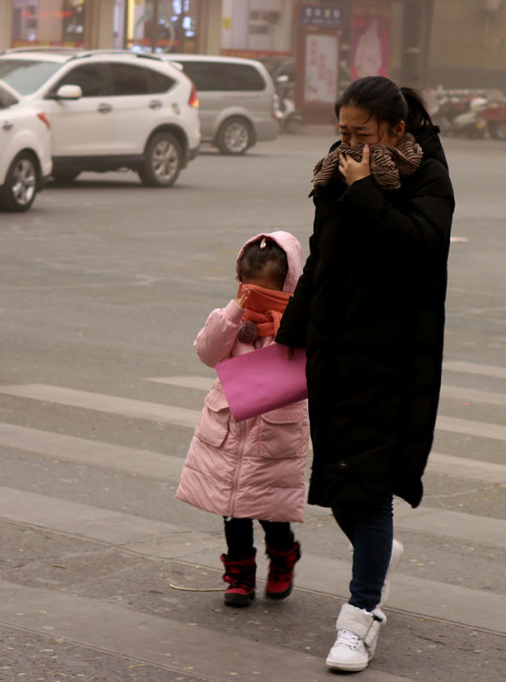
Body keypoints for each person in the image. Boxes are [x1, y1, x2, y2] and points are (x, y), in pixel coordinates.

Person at [275, 76, 455, 672]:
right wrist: (288, 336)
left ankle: (359, 619)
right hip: (335, 349)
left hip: (392, 357)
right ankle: (376, 558)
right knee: (338, 484)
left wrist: (365, 193)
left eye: (360, 133)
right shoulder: (336, 172)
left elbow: (420, 247)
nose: (348, 143)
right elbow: (321, 256)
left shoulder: (425, 175)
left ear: (396, 129)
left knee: (370, 488)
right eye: (342, 131)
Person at [176, 231, 309, 607]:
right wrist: (235, 311)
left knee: (270, 508)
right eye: (249, 291)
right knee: (231, 507)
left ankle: (283, 557)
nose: (256, 300)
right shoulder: (232, 319)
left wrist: (287, 322)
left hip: (274, 434)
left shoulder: (297, 323)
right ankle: (239, 572)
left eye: (267, 292)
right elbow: (207, 353)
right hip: (230, 429)